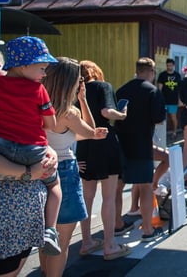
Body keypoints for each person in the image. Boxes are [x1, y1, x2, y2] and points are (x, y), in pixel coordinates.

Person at [0, 41, 59, 277]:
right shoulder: (35, 90)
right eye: (42, 68)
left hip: (1, 147)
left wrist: (49, 151)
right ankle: (51, 230)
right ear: (24, 66)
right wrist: (30, 171)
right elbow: (50, 124)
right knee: (55, 184)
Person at [38, 57, 117, 275]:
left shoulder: (36, 106)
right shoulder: (68, 112)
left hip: (39, 172)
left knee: (45, 239)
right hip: (63, 173)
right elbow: (91, 132)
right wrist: (83, 100)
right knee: (60, 243)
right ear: (71, 83)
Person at [75, 60, 130, 251]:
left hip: (82, 142)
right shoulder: (103, 86)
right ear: (96, 72)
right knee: (108, 196)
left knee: (87, 197)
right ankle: (109, 245)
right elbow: (106, 112)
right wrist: (122, 115)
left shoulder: (73, 91)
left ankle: (86, 242)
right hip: (105, 141)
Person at [115, 57, 166, 241]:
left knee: (117, 188)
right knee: (145, 187)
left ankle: (117, 225)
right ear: (152, 72)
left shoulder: (122, 90)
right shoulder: (153, 91)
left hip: (120, 145)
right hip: (142, 145)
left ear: (137, 70)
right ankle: (147, 230)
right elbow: (159, 118)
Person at [157, 58, 181, 140]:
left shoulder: (177, 75)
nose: (169, 67)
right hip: (163, 101)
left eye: (170, 65)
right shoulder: (162, 75)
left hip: (173, 101)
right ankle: (162, 135)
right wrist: (159, 99)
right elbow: (159, 89)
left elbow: (179, 89)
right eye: (167, 65)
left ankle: (174, 133)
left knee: (173, 118)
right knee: (162, 118)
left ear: (173, 66)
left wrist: (179, 100)